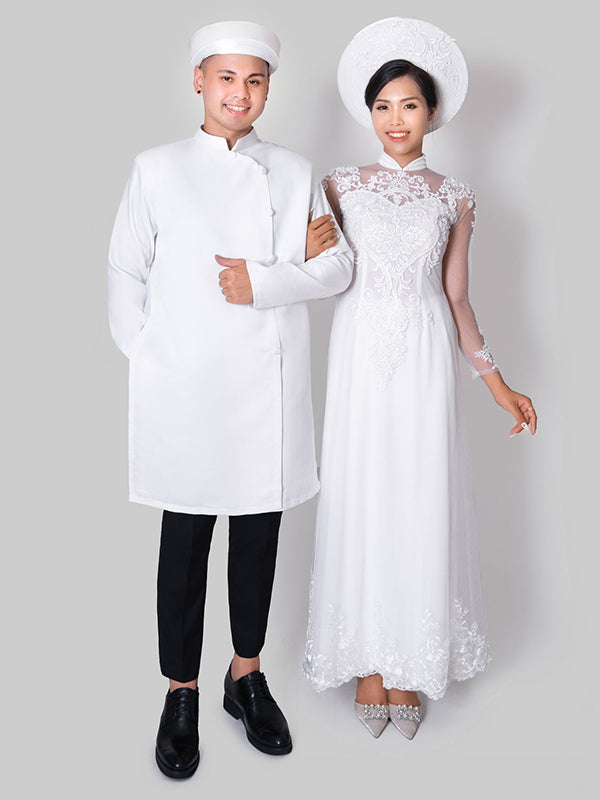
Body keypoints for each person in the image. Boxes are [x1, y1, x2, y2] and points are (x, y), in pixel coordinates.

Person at [107, 20, 352, 778]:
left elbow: (337, 267)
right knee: (183, 541)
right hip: (185, 385)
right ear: (198, 81)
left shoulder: (295, 171)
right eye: (226, 78)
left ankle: (244, 677)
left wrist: (264, 281)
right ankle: (179, 691)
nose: (239, 94)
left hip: (264, 387)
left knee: (256, 535)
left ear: (268, 88)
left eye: (255, 80)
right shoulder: (157, 169)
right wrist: (152, 357)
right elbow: (124, 270)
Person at [302, 18, 537, 740]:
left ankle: (408, 661)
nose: (395, 119)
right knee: (363, 491)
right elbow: (318, 270)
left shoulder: (455, 196)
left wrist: (497, 383)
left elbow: (457, 298)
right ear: (368, 113)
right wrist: (305, 247)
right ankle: (366, 663)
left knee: (418, 493)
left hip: (427, 355)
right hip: (360, 353)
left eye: (408, 104)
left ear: (432, 111)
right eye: (382, 106)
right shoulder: (338, 186)